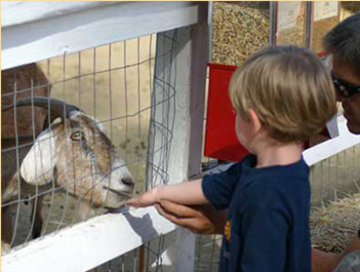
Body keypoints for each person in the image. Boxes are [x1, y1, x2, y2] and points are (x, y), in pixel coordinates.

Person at [152, 12, 360, 272]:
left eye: (346, 88)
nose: (337, 98)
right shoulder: (290, 173)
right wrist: (236, 223)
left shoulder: (269, 194)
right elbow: (342, 263)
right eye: (334, 83)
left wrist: (241, 225)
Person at [127, 45, 337, 271]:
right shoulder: (281, 170)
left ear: (254, 121)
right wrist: (159, 193)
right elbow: (217, 186)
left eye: (236, 111)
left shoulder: (265, 199)